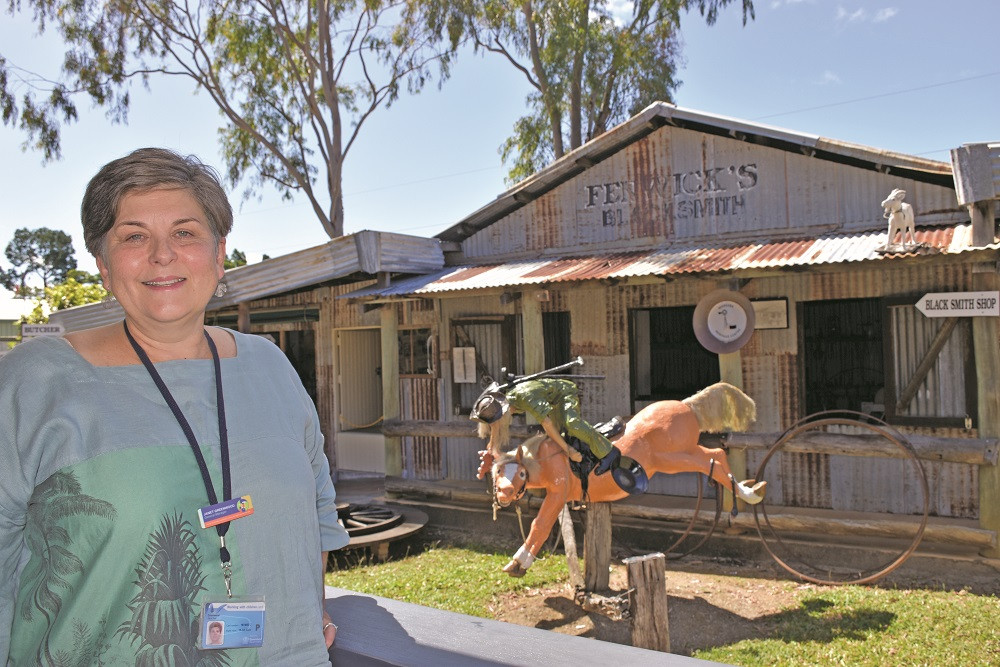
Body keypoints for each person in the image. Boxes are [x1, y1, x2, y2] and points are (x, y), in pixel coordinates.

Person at [0, 148, 349, 665]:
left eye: (185, 232)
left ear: (219, 252)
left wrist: (309, 607)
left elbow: (315, 511)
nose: (162, 254)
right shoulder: (33, 382)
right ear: (102, 263)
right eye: (134, 236)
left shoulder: (270, 366)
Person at [471, 377, 630, 476]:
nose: (495, 425)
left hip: (563, 395)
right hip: (551, 403)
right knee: (558, 439)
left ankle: (609, 452)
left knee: (573, 425)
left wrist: (569, 450)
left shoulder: (525, 397)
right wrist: (492, 447)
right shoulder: (504, 403)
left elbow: (546, 423)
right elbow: (495, 425)